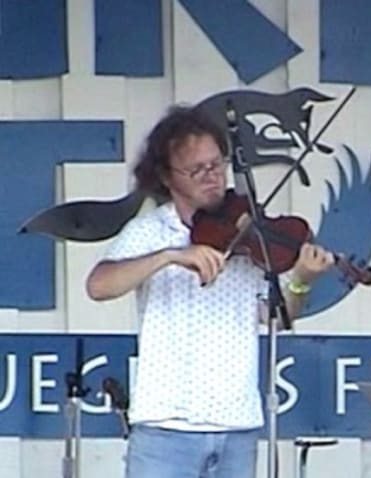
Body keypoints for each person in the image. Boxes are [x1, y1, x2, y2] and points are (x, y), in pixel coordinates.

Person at [86, 105, 334, 478]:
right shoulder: (150, 232)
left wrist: (301, 280)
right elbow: (99, 286)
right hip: (165, 431)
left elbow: (276, 317)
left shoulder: (252, 235)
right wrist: (170, 256)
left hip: (237, 427)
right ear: (167, 178)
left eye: (216, 165)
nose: (212, 177)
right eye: (196, 170)